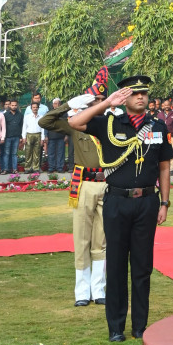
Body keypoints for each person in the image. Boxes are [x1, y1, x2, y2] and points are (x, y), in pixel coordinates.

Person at [68, 73, 173, 342]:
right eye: (134, 93)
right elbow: (74, 122)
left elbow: (164, 167)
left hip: (147, 202)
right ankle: (116, 327)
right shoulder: (108, 123)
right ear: (124, 97)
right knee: (115, 265)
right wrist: (106, 103)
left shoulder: (158, 127)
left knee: (142, 266)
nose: (141, 97)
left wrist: (164, 202)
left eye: (144, 93)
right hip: (115, 201)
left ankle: (140, 326)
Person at [41, 69, 109, 307]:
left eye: (102, 101)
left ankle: (99, 289)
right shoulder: (74, 124)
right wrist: (69, 104)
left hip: (107, 184)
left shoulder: (112, 123)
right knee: (81, 239)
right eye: (94, 101)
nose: (98, 105)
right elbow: (45, 121)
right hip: (84, 184)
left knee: (102, 240)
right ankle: (82, 292)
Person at [21, 97, 46, 172]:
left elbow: (43, 128)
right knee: (28, 152)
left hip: (38, 135)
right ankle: (27, 168)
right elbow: (24, 127)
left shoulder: (41, 117)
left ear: (38, 108)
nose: (35, 109)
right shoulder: (27, 117)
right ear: (31, 108)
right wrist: (24, 137)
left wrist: (42, 138)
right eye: (33, 107)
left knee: (37, 152)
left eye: (36, 107)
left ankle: (36, 167)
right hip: (29, 135)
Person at [1, 98, 23, 174]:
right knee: (6, 153)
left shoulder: (20, 115)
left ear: (17, 106)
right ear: (9, 105)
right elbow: (2, 126)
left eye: (15, 105)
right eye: (12, 105)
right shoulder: (5, 115)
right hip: (7, 137)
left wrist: (21, 137)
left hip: (16, 137)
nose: (14, 106)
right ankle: (5, 169)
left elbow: (21, 126)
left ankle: (14, 169)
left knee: (14, 153)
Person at [46, 99, 68, 173]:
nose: (56, 105)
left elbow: (66, 126)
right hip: (51, 136)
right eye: (55, 104)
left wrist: (66, 135)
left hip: (61, 136)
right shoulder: (49, 113)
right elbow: (46, 125)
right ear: (53, 105)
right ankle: (51, 167)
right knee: (51, 153)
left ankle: (60, 167)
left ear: (60, 104)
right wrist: (46, 135)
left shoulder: (64, 114)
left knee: (60, 153)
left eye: (58, 103)